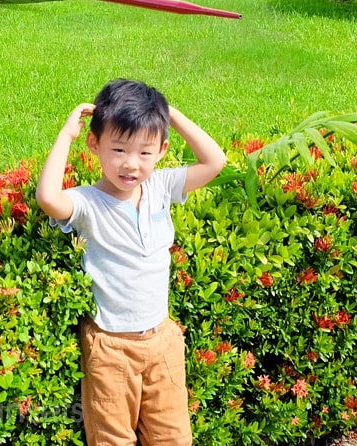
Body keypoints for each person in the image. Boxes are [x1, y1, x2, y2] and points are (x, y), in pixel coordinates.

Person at [35, 78, 226, 446]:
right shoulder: (88, 202)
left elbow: (215, 161)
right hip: (111, 348)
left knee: (173, 438)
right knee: (112, 440)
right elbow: (47, 197)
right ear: (95, 144)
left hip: (163, 341)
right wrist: (66, 136)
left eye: (144, 153)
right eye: (119, 149)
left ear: (162, 150)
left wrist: (168, 113)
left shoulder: (161, 187)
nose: (130, 164)